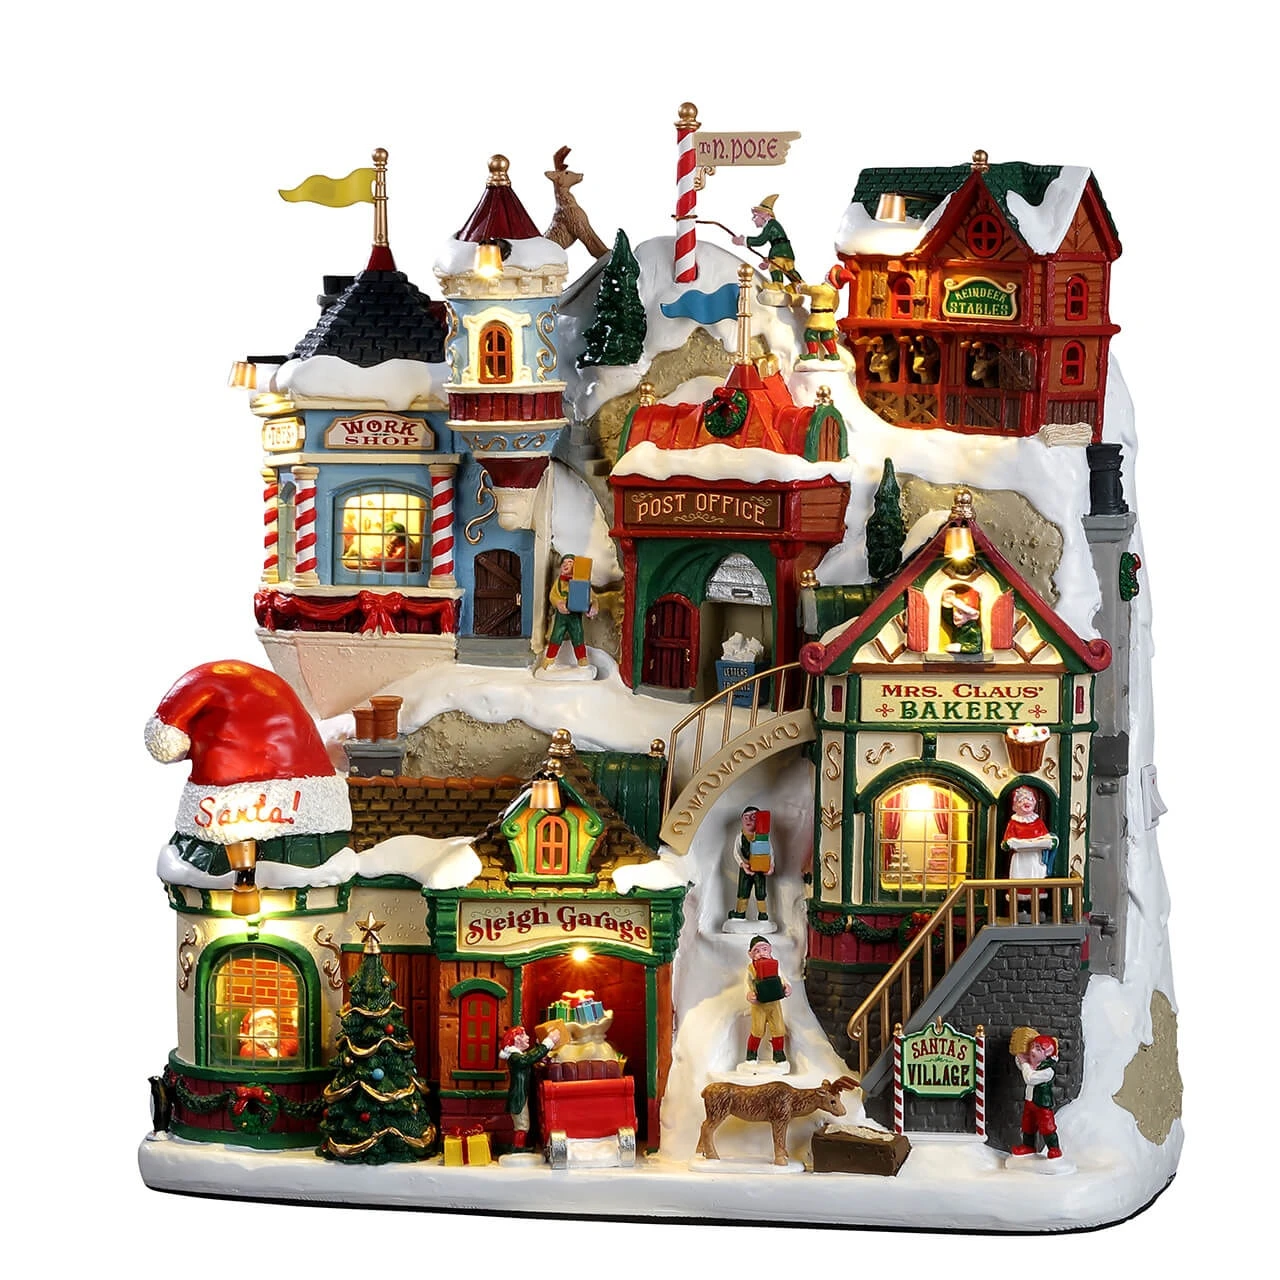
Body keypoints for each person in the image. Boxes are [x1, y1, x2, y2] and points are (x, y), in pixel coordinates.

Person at [498, 1024, 560, 1149]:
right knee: (522, 1126)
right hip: (519, 1098)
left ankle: (520, 1147)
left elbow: (530, 1059)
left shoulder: (518, 1056)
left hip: (523, 1096)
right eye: (524, 1035)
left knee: (524, 1125)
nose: (527, 1037)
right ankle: (518, 1148)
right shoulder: (515, 1058)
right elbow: (528, 1059)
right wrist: (548, 1042)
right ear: (516, 1040)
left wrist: (539, 1049)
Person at [1001, 785, 1057, 920]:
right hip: (1021, 860)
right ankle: (1021, 910)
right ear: (1015, 805)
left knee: (1036, 883)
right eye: (1021, 800)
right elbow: (1007, 843)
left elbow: (1048, 839)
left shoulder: (1038, 822)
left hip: (1034, 859)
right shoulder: (1014, 823)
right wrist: (1018, 843)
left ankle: (1036, 910)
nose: (1026, 802)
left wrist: (1044, 842)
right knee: (1020, 884)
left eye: (1029, 799)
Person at [1011, 1033, 1062, 1158]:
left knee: (1047, 1126)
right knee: (1028, 1125)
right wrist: (1020, 1058)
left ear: (1047, 1054)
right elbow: (1023, 1067)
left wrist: (1025, 1063)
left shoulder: (1048, 1071)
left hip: (1042, 1104)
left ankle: (1054, 1148)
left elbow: (1029, 1078)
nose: (1032, 1051)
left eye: (1038, 1049)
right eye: (1032, 1047)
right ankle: (1028, 1146)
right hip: (1030, 1101)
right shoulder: (1035, 1064)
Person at [543, 554, 597, 669]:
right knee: (556, 635)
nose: (566, 565)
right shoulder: (559, 582)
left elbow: (592, 597)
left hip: (575, 616)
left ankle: (582, 660)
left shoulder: (581, 582)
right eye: (564, 562)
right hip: (561, 616)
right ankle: (549, 659)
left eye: (570, 562)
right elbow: (552, 595)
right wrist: (558, 603)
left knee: (578, 636)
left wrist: (593, 606)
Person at [744, 936, 791, 1064]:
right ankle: (751, 1055)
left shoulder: (775, 966)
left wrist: (787, 987)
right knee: (757, 1030)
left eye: (764, 949)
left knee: (779, 1028)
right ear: (750, 954)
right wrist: (749, 994)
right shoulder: (751, 969)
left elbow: (782, 979)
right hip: (759, 1005)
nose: (761, 954)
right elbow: (746, 983)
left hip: (774, 1004)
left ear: (770, 950)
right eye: (757, 951)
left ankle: (778, 1054)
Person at [733, 195, 796, 286]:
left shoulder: (770, 225)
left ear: (764, 215)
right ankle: (799, 283)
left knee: (774, 267)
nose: (753, 219)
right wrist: (769, 260)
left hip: (780, 252)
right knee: (789, 269)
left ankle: (778, 285)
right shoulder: (773, 224)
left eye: (755, 216)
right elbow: (776, 243)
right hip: (786, 252)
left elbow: (761, 240)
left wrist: (743, 241)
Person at [727, 806, 772, 922]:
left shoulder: (763, 837)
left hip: (760, 869)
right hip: (746, 868)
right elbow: (736, 852)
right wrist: (742, 864)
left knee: (760, 892)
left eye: (753, 817)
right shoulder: (740, 837)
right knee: (743, 891)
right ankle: (740, 912)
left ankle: (763, 913)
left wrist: (771, 865)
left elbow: (770, 852)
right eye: (746, 817)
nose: (749, 820)